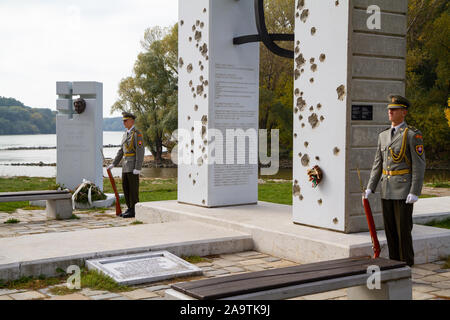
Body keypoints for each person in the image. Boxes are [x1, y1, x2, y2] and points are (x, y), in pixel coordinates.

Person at [365, 94, 426, 266]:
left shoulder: (413, 135)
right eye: (389, 110)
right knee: (390, 230)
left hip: (403, 190)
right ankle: (393, 263)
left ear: (404, 112)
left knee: (403, 230)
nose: (390, 112)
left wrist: (414, 191)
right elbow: (378, 163)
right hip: (386, 189)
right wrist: (371, 187)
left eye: (394, 109)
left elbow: (419, 165)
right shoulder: (383, 135)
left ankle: (406, 264)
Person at [108, 112, 145, 218]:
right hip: (125, 166)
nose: (123, 122)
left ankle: (134, 209)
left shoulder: (137, 134)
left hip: (133, 166)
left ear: (131, 121)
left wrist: (138, 167)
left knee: (133, 189)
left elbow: (140, 151)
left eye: (125, 120)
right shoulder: (125, 134)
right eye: (123, 121)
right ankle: (129, 208)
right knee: (126, 188)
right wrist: (114, 163)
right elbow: (121, 151)